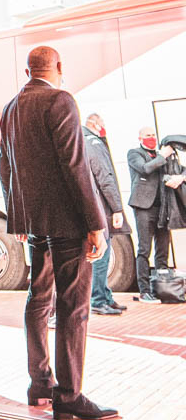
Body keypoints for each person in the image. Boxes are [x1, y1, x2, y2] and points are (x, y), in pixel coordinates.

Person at [0, 46, 118, 420]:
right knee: (73, 306)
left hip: (36, 223)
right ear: (59, 67)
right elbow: (74, 165)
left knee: (39, 299)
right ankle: (68, 395)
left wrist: (19, 218)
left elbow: (6, 166)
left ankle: (40, 385)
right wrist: (95, 223)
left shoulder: (10, 108)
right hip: (67, 222)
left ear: (27, 71)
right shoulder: (60, 100)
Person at [82, 114, 129, 315]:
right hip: (102, 207)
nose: (103, 127)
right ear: (94, 124)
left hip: (97, 205)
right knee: (102, 255)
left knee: (104, 253)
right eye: (102, 123)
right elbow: (105, 176)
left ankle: (105, 296)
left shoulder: (83, 140)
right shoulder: (93, 142)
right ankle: (98, 300)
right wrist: (117, 208)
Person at [128, 127, 177, 302]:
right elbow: (145, 169)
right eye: (148, 135)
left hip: (162, 208)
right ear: (140, 137)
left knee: (162, 249)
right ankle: (144, 291)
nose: (152, 138)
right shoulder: (134, 153)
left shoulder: (160, 154)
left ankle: (162, 288)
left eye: (153, 135)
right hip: (143, 207)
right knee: (144, 249)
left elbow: (176, 171)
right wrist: (162, 156)